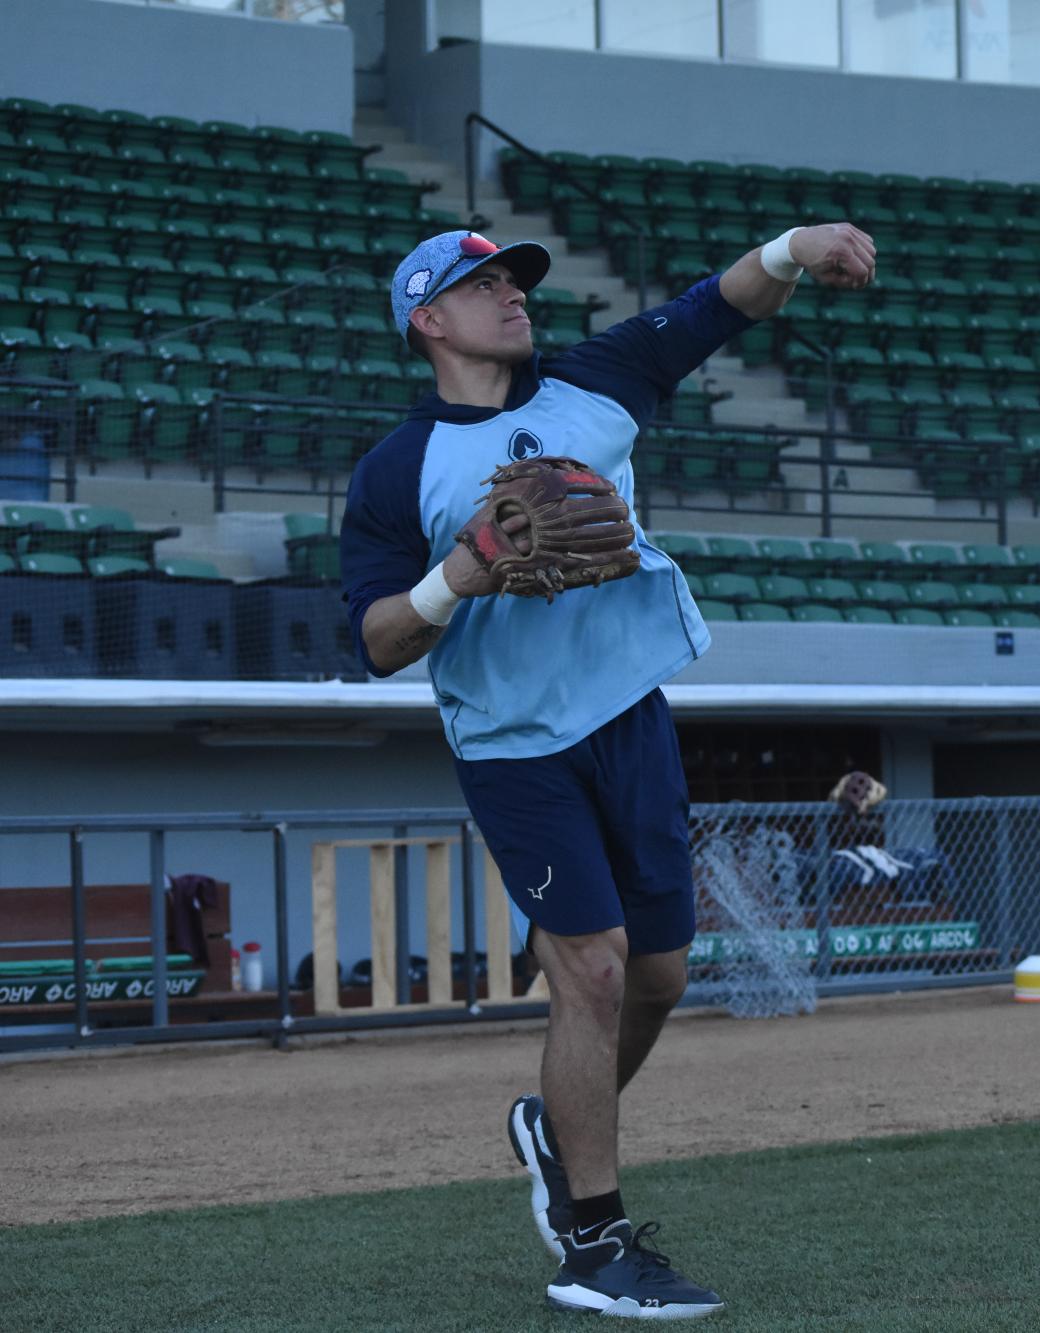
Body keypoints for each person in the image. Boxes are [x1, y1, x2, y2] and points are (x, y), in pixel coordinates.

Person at [340, 222, 875, 1319]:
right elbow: (379, 639)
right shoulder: (398, 469)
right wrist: (463, 569)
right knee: (589, 971)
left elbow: (718, 304)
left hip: (629, 716)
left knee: (658, 976)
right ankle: (593, 1243)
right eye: (481, 285)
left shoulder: (596, 380)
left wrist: (794, 245)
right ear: (427, 320)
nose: (512, 295)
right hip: (512, 743)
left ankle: (551, 1128)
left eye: (514, 279)